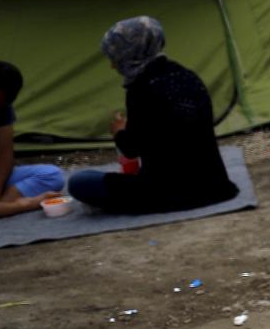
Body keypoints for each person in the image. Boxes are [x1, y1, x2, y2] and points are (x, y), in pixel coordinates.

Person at [67, 18, 237, 215]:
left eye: (115, 57)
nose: (113, 65)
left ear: (130, 53)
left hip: (166, 193)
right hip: (216, 186)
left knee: (79, 182)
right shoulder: (188, 76)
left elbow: (131, 149)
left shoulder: (141, 88)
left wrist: (120, 131)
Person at [0, 61, 64, 221]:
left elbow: (4, 154)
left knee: (51, 175)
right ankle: (15, 207)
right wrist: (28, 204)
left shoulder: (1, 107)